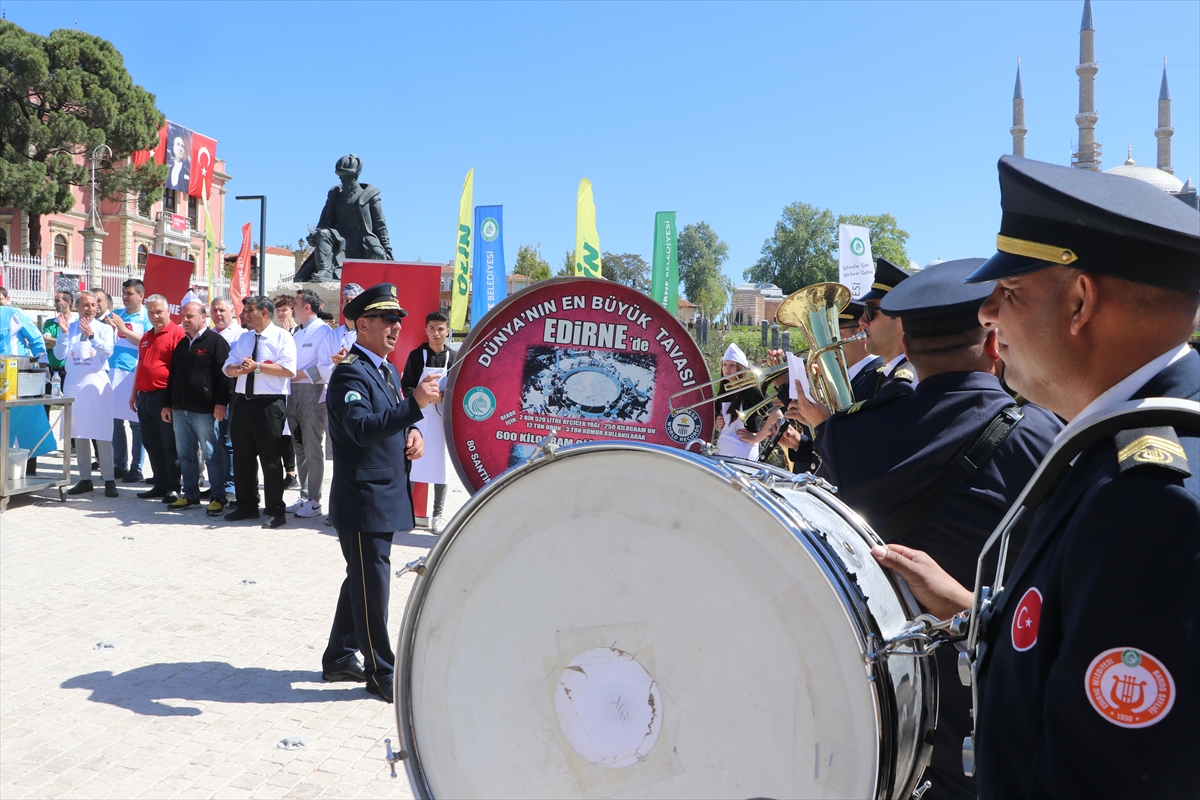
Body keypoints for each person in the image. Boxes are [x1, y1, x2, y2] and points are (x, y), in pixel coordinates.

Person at [872, 156, 1200, 798]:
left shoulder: (1152, 503)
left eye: (1010, 291)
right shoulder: (1116, 449)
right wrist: (976, 614)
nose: (987, 312)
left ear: (1080, 301)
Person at [791, 259, 1063, 799]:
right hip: (985, 702)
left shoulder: (849, 437)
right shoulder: (1043, 436)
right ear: (993, 343)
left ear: (907, 350)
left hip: (876, 699)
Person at [321, 283, 438, 702]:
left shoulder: (384, 369)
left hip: (381, 494)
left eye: (398, 320)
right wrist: (414, 407)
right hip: (362, 499)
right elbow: (361, 428)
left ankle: (338, 657)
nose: (396, 326)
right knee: (374, 586)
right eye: (388, 319)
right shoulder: (350, 372)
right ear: (363, 324)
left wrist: (412, 431)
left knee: (363, 580)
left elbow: (386, 421)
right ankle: (380, 671)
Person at [222, 296, 297, 529]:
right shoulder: (243, 338)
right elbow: (227, 367)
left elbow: (288, 370)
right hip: (243, 403)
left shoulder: (282, 337)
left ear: (265, 313)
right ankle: (247, 505)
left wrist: (258, 368)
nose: (244, 313)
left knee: (271, 460)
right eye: (244, 309)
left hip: (269, 405)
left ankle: (275, 510)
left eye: (250, 310)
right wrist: (238, 369)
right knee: (243, 458)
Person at [162, 302, 231, 514]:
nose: (185, 320)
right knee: (186, 454)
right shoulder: (182, 344)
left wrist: (221, 402)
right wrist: (168, 404)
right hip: (181, 410)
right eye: (183, 316)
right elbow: (173, 377)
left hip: (205, 411)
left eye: (190, 316)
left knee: (211, 454)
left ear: (203, 318)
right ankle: (190, 494)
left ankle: (218, 496)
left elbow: (225, 375)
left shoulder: (216, 342)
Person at [53, 291, 118, 497]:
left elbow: (108, 351)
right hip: (74, 385)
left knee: (102, 434)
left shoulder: (104, 328)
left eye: (93, 305)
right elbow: (59, 355)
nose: (90, 309)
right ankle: (85, 479)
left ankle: (109, 480)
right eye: (85, 305)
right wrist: (63, 334)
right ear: (77, 307)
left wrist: (91, 335)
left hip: (96, 386)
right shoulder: (69, 328)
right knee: (78, 433)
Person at [401, 311, 456, 533]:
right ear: (426, 330)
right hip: (419, 420)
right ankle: (404, 512)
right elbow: (407, 387)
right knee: (412, 463)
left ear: (447, 331)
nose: (436, 333)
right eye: (432, 328)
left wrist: (443, 396)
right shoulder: (416, 356)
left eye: (440, 329)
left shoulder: (454, 357)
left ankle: (438, 515)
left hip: (442, 422)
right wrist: (424, 397)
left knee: (441, 468)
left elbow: (458, 388)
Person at [285, 289, 334, 519]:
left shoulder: (323, 331)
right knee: (299, 446)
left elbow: (327, 366)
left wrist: (301, 374)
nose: (292, 306)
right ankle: (304, 495)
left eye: (295, 303)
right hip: (292, 392)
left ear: (307, 307)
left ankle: (315, 500)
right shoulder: (297, 332)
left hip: (313, 392)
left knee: (313, 448)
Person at [131, 295, 185, 503]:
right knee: (151, 443)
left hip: (164, 398)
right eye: (151, 312)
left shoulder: (177, 334)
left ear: (168, 311)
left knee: (169, 445)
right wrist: (133, 393)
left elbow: (178, 372)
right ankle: (160, 484)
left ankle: (173, 487)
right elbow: (141, 365)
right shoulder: (146, 336)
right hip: (144, 398)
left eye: (159, 311)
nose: (155, 316)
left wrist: (169, 402)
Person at [1, 294, 55, 475]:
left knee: (28, 424)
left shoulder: (13, 313)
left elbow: (36, 338)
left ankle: (29, 472)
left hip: (18, 377)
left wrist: (43, 365)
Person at [105, 279, 149, 482]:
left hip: (133, 373)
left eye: (130, 293)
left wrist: (123, 330)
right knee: (115, 421)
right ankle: (118, 464)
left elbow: (148, 342)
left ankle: (136, 467)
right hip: (114, 373)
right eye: (124, 293)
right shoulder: (117, 315)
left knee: (136, 424)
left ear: (141, 296)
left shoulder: (147, 317)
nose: (125, 296)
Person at [859, 258, 917, 399]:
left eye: (870, 311)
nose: (861, 321)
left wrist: (824, 421)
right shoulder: (886, 375)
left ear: (902, 320)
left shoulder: (907, 384)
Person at [712, 343, 779, 460]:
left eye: (732, 365)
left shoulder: (751, 389)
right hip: (723, 451)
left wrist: (757, 437)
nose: (727, 369)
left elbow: (777, 414)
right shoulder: (723, 391)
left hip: (744, 453)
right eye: (725, 365)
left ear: (740, 368)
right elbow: (723, 423)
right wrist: (719, 423)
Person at [210, 298, 243, 504]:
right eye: (214, 310)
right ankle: (218, 485)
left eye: (222, 310)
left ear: (232, 310)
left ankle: (231, 486)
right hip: (209, 399)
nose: (218, 314)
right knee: (214, 444)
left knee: (228, 442)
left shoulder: (240, 335)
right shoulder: (209, 335)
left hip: (231, 397)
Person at [273, 293, 300, 489]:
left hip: (299, 388)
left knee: (293, 432)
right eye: (278, 310)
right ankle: (289, 472)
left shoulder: (300, 332)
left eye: (284, 309)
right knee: (283, 431)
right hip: (279, 388)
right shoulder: (275, 333)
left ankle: (293, 473)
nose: (281, 313)